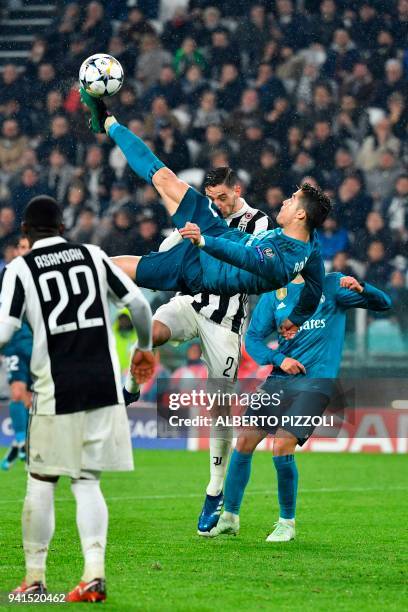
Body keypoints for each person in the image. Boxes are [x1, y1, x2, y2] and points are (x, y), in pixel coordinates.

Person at [80, 90, 332, 340]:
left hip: (199, 270)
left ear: (300, 214)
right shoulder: (311, 246)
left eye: (293, 200)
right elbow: (314, 287)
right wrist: (296, 319)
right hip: (216, 230)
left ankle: (75, 270)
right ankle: (108, 122)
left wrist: (203, 242)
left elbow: (244, 256)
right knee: (164, 178)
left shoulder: (278, 262)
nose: (286, 201)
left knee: (129, 269)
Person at [0, 196, 154, 602]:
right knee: (87, 482)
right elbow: (138, 303)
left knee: (41, 482)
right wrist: (146, 346)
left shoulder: (21, 267)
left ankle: (34, 580)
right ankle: (94, 575)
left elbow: (4, 331)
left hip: (57, 388)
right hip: (103, 386)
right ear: (63, 226)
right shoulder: (92, 255)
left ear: (25, 234)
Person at [210, 273, 391, 542]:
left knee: (282, 445)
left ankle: (287, 523)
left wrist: (363, 288)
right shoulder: (274, 294)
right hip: (280, 378)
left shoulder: (332, 285)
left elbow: (383, 302)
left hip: (316, 381)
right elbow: (254, 340)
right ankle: (230, 517)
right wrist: (279, 359)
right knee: (245, 440)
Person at [152, 167, 273, 535]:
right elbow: (167, 248)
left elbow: (246, 259)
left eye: (223, 197)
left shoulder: (258, 222)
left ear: (237, 189)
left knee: (219, 404)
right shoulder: (204, 212)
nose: (218, 205)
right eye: (213, 198)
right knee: (152, 331)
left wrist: (204, 238)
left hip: (227, 323)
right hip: (192, 303)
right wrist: (173, 245)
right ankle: (129, 385)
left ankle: (215, 490)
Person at [0, 236, 32, 470]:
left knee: (32, 397)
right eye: (20, 247)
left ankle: (24, 442)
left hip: (37, 341)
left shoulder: (41, 271)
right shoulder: (8, 273)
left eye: (27, 247)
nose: (23, 251)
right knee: (17, 391)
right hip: (14, 341)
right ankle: (21, 439)